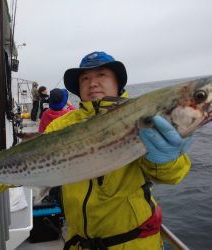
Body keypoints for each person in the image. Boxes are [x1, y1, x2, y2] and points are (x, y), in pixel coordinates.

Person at [45, 51, 192, 250]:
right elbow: (24, 162)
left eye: (101, 75)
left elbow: (173, 176)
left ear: (117, 82)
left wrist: (166, 160)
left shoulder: (142, 116)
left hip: (133, 243)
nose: (92, 83)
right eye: (85, 78)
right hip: (78, 242)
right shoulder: (60, 126)